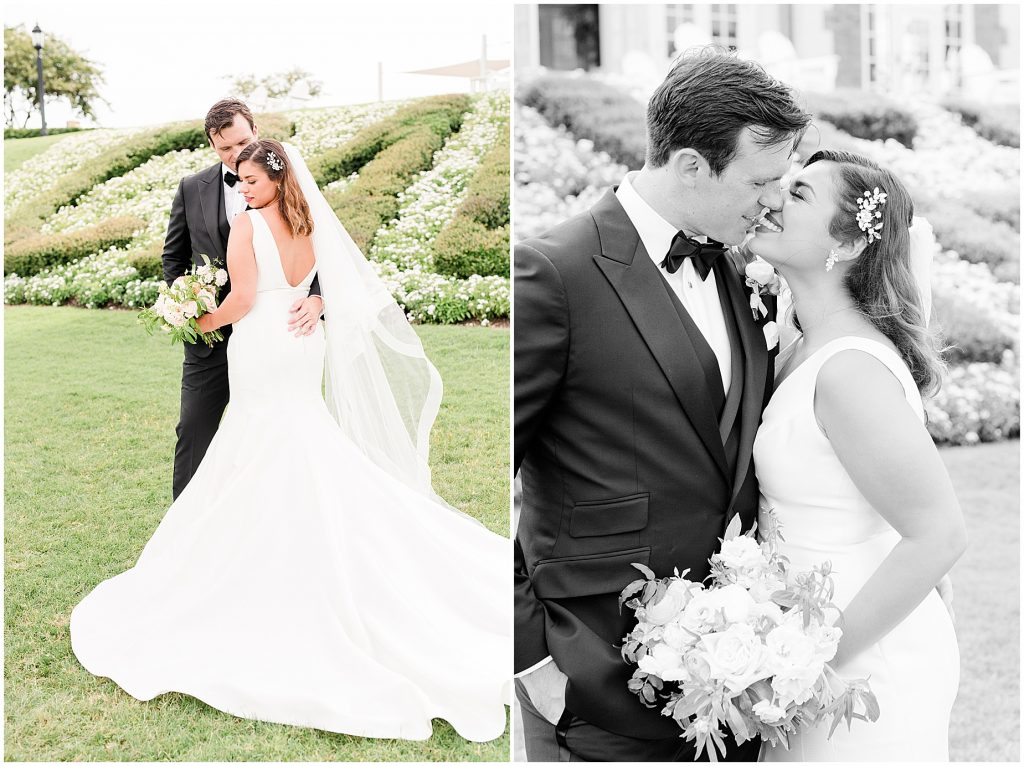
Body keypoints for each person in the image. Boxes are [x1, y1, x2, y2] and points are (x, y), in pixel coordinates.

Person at [71, 139, 510, 742]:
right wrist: (318, 300)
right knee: (299, 437)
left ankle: (265, 562)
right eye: (240, 181)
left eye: (250, 180)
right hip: (303, 343)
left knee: (261, 440)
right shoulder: (309, 221)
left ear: (273, 181)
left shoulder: (249, 225)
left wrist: (188, 319)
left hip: (262, 344)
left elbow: (242, 300)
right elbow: (334, 285)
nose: (243, 190)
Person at [513, 49, 810, 761]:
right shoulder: (552, 272)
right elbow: (487, 485)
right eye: (761, 180)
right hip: (591, 683)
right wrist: (533, 662)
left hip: (735, 687)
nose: (775, 200)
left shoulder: (741, 271)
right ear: (688, 166)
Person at [750, 149, 964, 761]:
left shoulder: (849, 370)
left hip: (859, 667)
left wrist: (803, 663)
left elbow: (940, 535)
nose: (772, 198)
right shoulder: (800, 345)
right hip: (804, 651)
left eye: (798, 195)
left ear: (845, 245)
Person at [162, 99, 324, 500]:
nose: (235, 158)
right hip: (212, 341)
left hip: (277, 332)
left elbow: (327, 256)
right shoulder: (191, 188)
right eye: (224, 149)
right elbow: (174, 257)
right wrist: (187, 304)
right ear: (212, 147)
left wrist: (318, 299)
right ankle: (187, 526)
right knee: (196, 429)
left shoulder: (295, 190)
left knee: (275, 429)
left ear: (255, 130)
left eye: (242, 143)